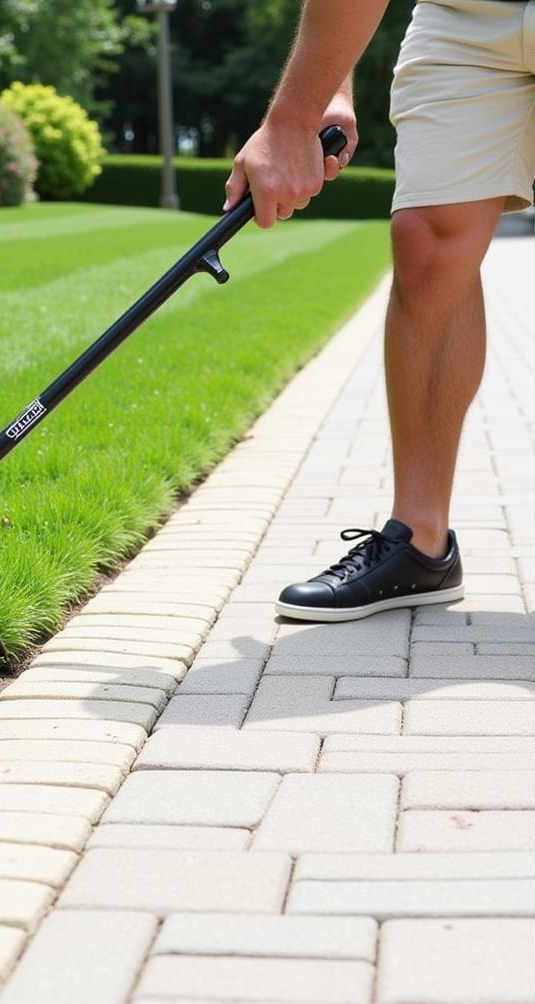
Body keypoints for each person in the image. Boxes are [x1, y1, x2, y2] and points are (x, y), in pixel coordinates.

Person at [225, 0, 535, 623]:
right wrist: (315, 99)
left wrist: (290, 120)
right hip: (464, 15)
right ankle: (421, 543)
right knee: (426, 241)